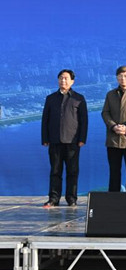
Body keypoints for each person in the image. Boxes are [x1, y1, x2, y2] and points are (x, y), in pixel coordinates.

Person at [41, 69, 88, 208]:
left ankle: (71, 199)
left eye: (66, 78)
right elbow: (45, 120)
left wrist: (82, 139)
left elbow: (84, 121)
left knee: (72, 171)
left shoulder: (79, 98)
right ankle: (53, 198)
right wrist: (45, 138)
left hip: (73, 141)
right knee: (55, 171)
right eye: (61, 78)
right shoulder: (50, 98)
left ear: (72, 81)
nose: (63, 81)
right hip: (55, 141)